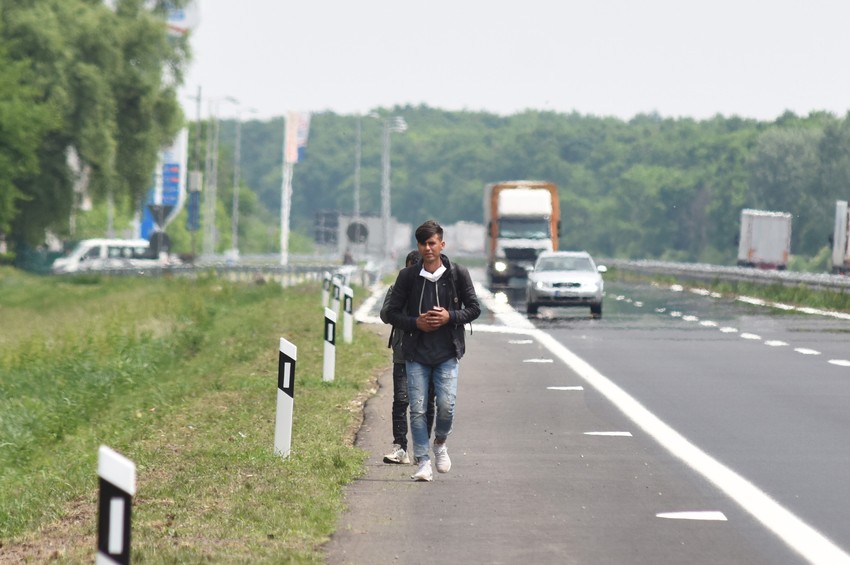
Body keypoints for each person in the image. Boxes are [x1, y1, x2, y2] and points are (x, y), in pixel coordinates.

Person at [385, 220, 481, 482]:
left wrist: (449, 316)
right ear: (418, 246)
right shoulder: (407, 277)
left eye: (432, 243)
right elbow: (391, 313)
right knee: (417, 409)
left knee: (446, 406)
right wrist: (416, 322)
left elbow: (474, 308)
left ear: (441, 244)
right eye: (423, 244)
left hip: (447, 352)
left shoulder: (457, 274)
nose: (428, 248)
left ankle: (440, 442)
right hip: (416, 353)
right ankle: (423, 461)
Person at [379, 250, 435, 465]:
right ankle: (400, 447)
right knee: (401, 401)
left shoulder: (434, 289)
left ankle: (423, 449)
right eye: (407, 269)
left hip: (428, 354)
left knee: (427, 403)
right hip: (403, 353)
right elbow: (385, 315)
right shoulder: (396, 289)